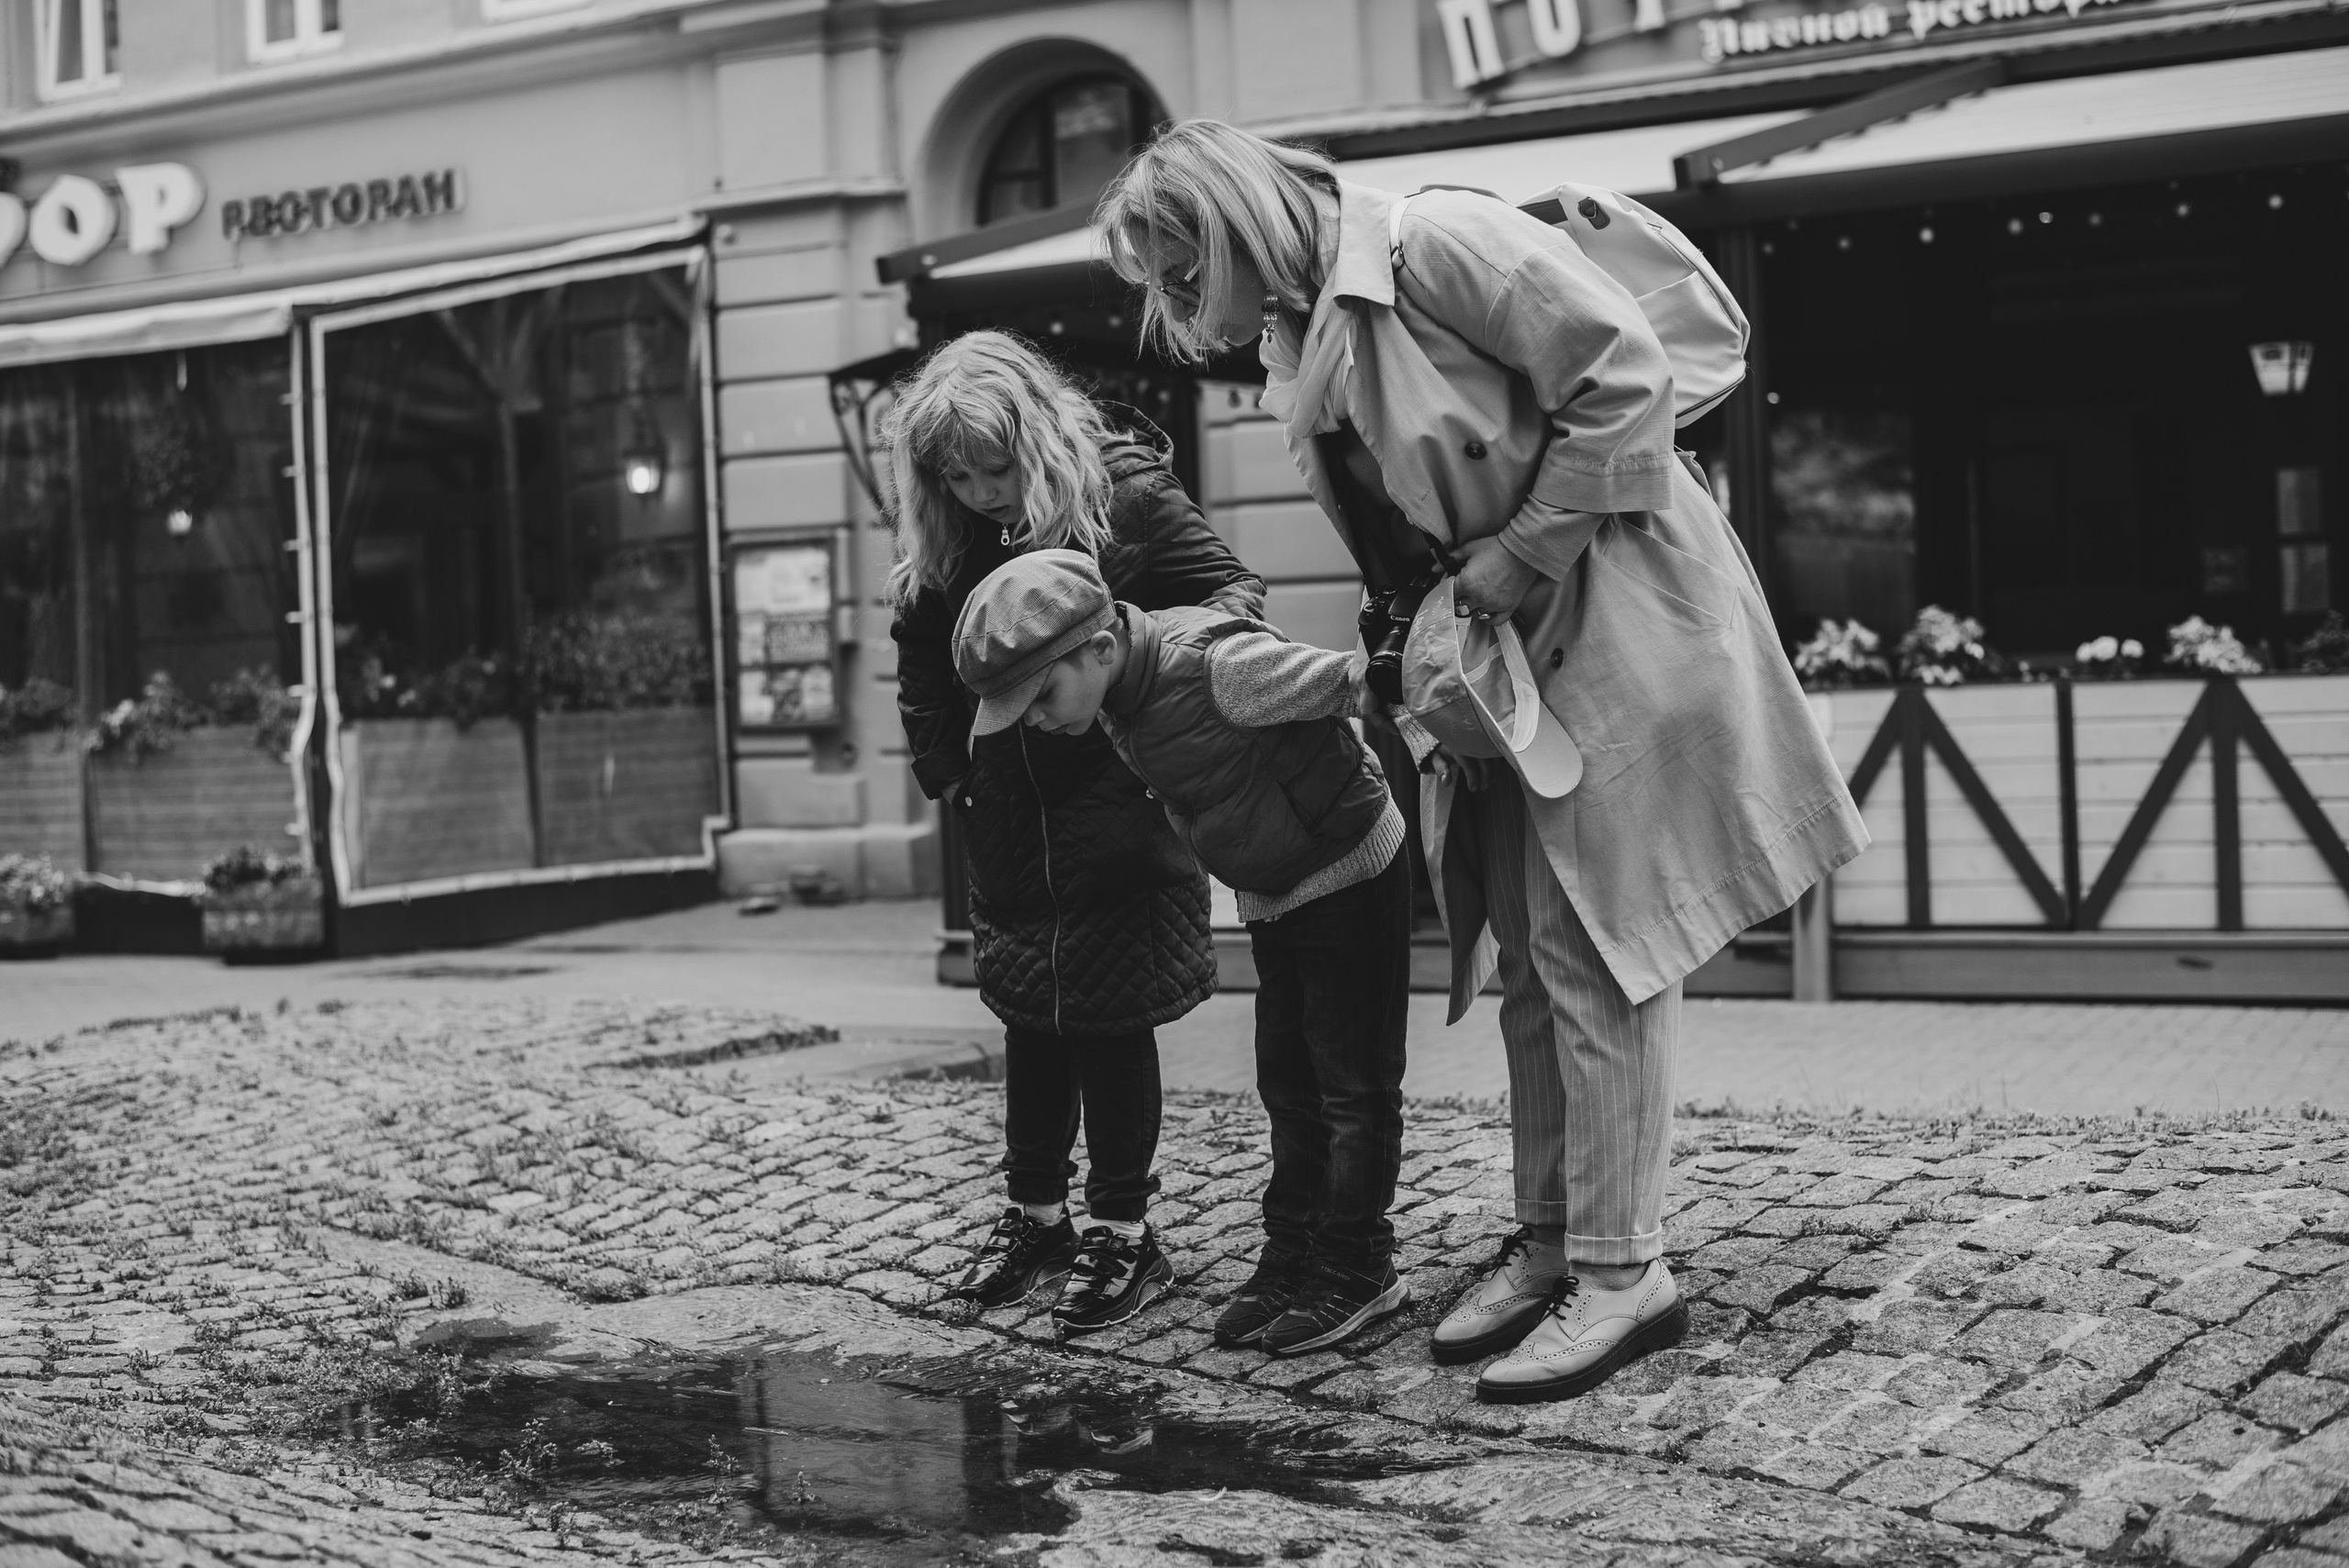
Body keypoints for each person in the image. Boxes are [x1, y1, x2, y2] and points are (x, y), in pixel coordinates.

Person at [1096, 123, 1865, 1400]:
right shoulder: (1308, 323)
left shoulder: (1434, 242)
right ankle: (1557, 1240)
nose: (1180, 316)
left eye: (1182, 278)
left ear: (1233, 225)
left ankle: (1625, 1274)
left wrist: (1517, 557)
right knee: (1523, 957)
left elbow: (1627, 387)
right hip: (1502, 664)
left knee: (1596, 952)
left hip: (1603, 621)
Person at [882, 331, 1265, 1334]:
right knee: (1029, 1019)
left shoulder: (1125, 497)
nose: (976, 492)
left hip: (1121, 805)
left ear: (1038, 436)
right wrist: (950, 770)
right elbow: (921, 651)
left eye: (993, 468)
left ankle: (1123, 1230)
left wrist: (1128, 679)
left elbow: (1234, 595)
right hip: (1008, 816)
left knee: (1109, 1019)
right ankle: (1036, 1214)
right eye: (954, 476)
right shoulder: (952, 533)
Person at [953, 548, 1413, 1357]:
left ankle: (1357, 1266)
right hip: (1274, 891)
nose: (1034, 720)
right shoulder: (1114, 700)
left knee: (1350, 1086)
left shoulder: (1219, 666)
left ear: (1098, 647)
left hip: (1346, 870)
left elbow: (1357, 683)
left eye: (1040, 696)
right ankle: (1291, 1254)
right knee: (1288, 1085)